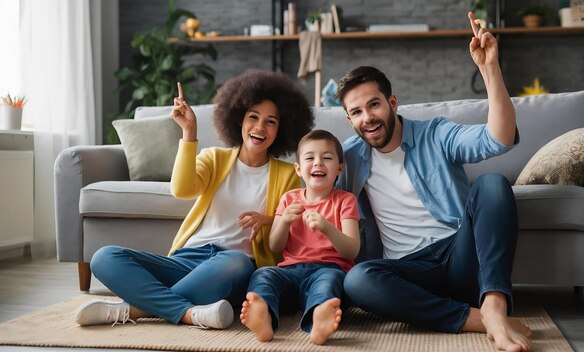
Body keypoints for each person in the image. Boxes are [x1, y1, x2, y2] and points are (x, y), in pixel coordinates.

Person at [336, 12, 533, 352]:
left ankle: (494, 306)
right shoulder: (348, 156)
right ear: (349, 119)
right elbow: (313, 187)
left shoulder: (436, 134)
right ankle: (476, 319)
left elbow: (498, 139)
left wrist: (490, 70)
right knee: (358, 279)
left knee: (492, 184)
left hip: (459, 255)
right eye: (356, 112)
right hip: (407, 271)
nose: (367, 118)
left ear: (392, 103)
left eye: (374, 105)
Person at [74, 69, 314, 329]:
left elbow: (288, 233)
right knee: (104, 257)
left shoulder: (288, 174)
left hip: (232, 268)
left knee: (235, 262)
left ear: (281, 129)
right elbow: (182, 189)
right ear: (238, 120)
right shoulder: (214, 158)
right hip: (186, 259)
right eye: (253, 117)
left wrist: (268, 219)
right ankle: (189, 313)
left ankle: (137, 309)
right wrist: (189, 133)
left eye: (271, 121)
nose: (259, 127)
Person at [240, 129, 360, 345]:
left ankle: (318, 321)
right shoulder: (289, 198)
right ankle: (264, 317)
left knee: (328, 283)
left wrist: (327, 228)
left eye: (327, 158)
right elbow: (275, 246)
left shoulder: (345, 200)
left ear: (339, 169)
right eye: (310, 158)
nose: (318, 163)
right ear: (298, 169)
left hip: (329, 269)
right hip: (290, 272)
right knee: (264, 273)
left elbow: (352, 251)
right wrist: (284, 221)